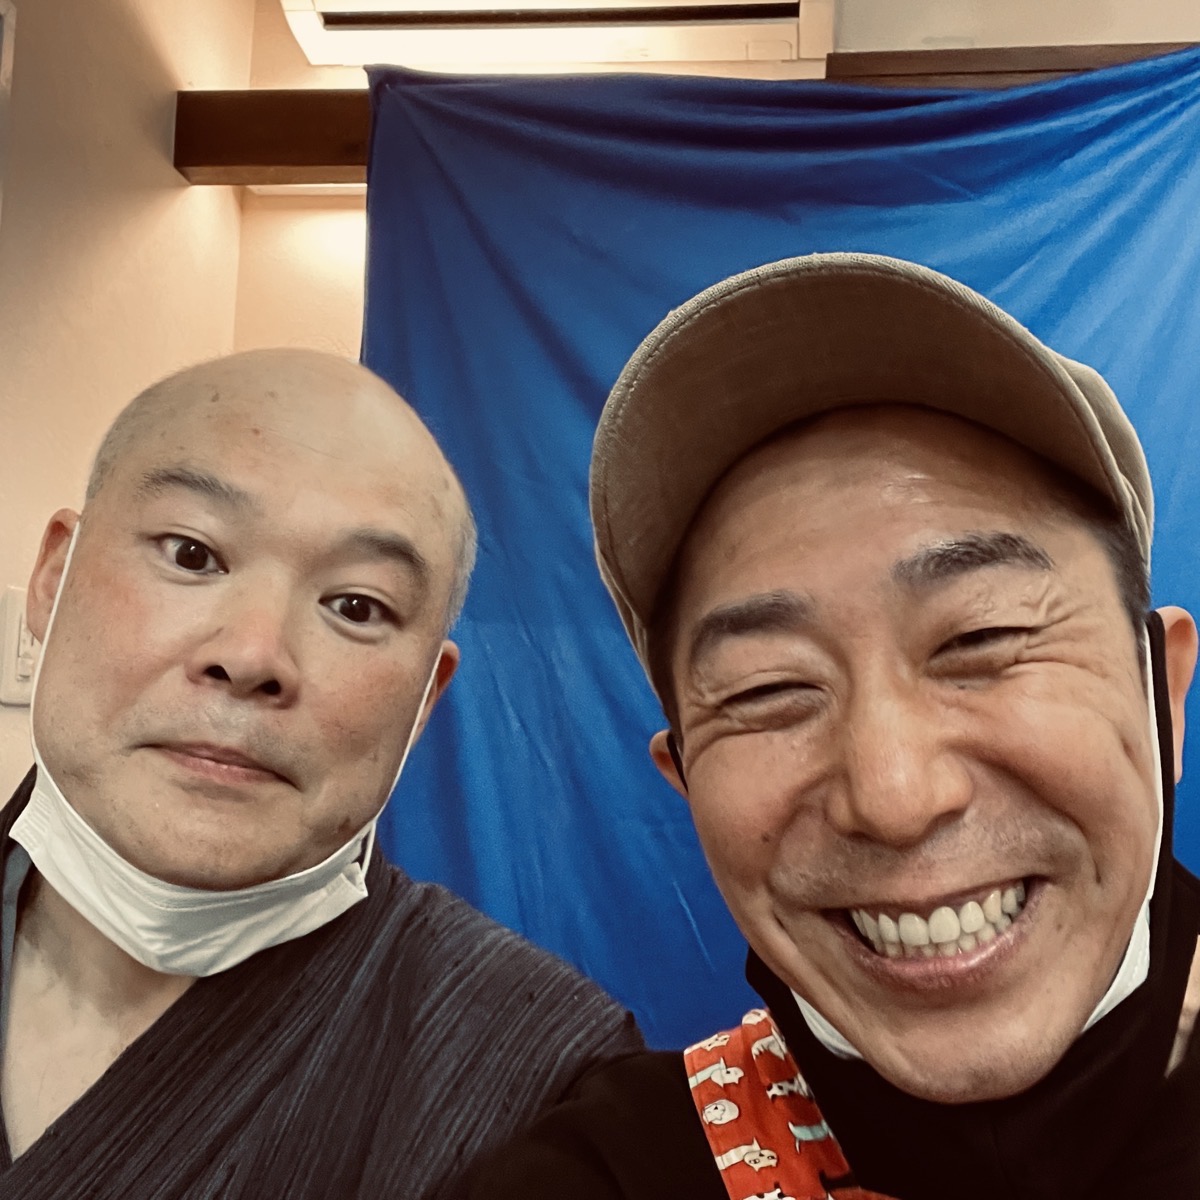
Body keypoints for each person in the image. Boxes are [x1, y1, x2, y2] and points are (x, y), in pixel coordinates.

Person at [475, 253, 1200, 1199]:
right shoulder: (607, 1173)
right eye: (768, 690)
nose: (895, 797)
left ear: (1161, 693)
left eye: (980, 639)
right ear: (685, 781)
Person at [0, 348, 640, 1198]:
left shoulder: (543, 1079)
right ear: (54, 577)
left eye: (356, 606)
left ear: (424, 699)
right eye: (192, 554)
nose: (252, 655)